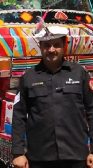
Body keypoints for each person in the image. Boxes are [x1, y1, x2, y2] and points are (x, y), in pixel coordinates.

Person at [12, 26, 93, 168]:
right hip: (40, 156)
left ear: (64, 47)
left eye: (56, 45)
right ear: (40, 46)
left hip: (76, 155)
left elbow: (92, 111)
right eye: (47, 45)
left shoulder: (79, 74)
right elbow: (19, 116)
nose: (51, 50)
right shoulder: (28, 77)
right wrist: (18, 153)